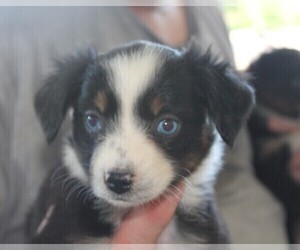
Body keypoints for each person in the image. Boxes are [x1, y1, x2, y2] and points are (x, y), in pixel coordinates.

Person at [0, 2, 288, 244]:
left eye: (166, 124)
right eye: (94, 121)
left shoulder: (207, 13)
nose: (119, 170)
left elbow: (239, 182)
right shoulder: (20, 23)